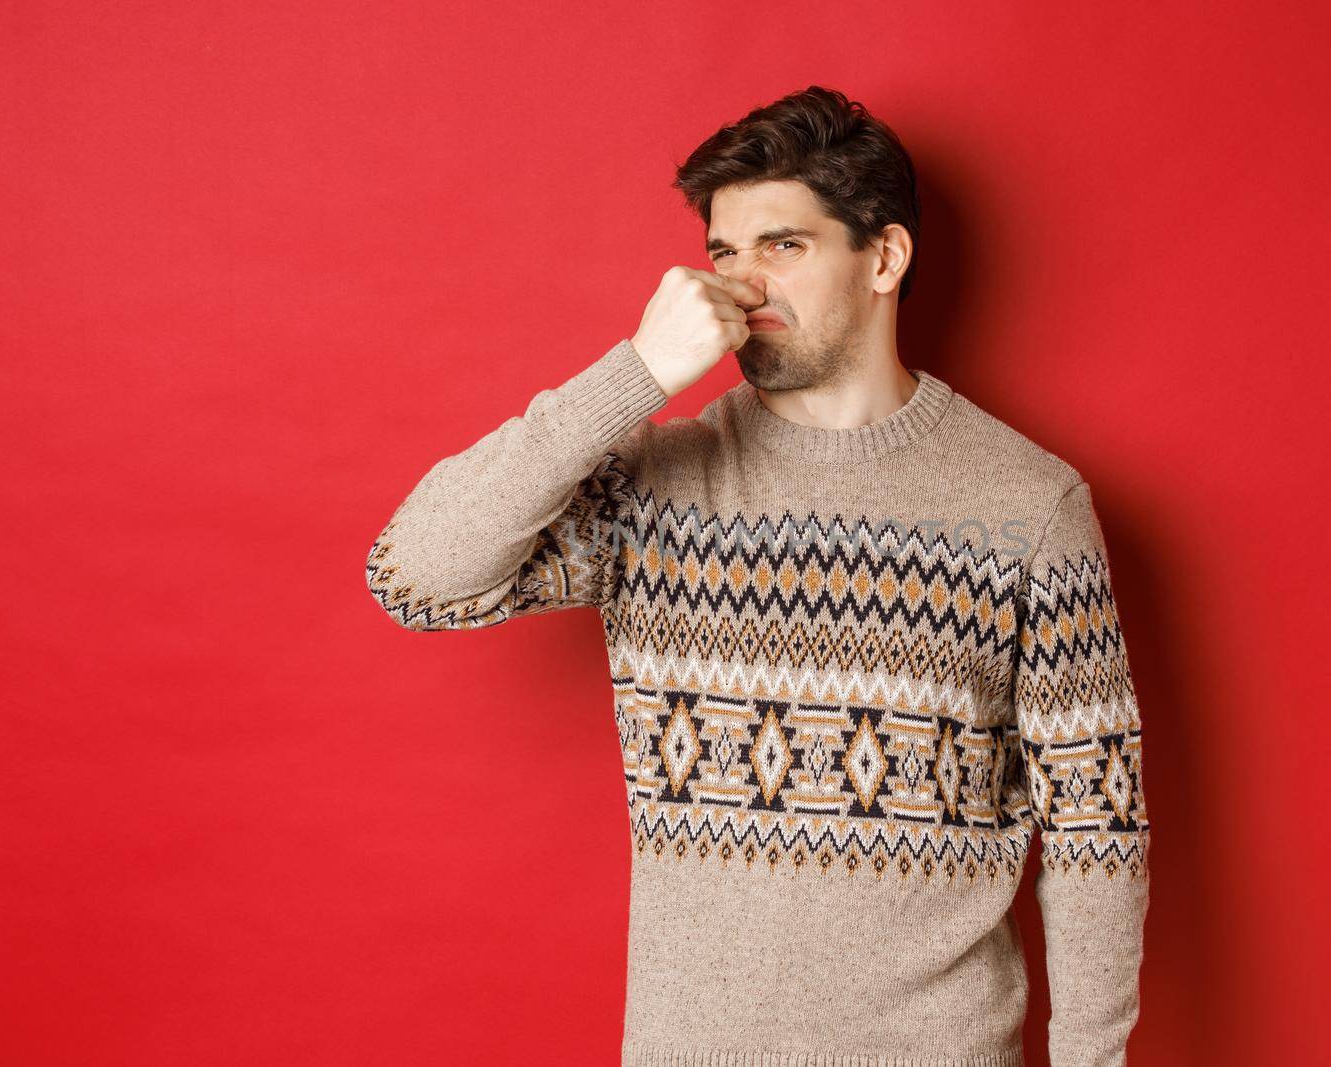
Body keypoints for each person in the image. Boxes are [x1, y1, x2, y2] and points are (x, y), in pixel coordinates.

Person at [366, 84, 1151, 1067]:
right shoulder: (656, 485)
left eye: (783, 245)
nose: (742, 288)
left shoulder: (1029, 506)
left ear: (884, 256)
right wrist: (636, 373)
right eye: (723, 255)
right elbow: (415, 576)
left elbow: (1094, 825)